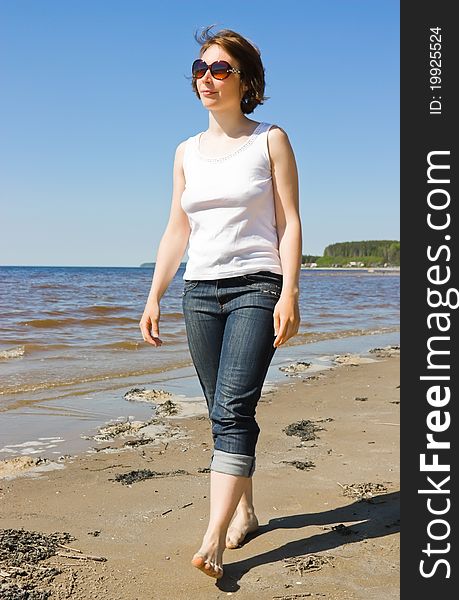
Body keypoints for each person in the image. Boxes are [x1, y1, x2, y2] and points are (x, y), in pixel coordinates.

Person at [139, 25, 302, 580]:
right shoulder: (185, 151)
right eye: (200, 68)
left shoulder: (270, 139)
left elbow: (290, 221)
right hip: (200, 292)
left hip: (257, 286)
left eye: (220, 69)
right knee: (222, 410)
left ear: (246, 79)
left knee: (232, 408)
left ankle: (214, 537)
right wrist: (155, 294)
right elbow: (176, 229)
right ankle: (247, 511)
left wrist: (291, 292)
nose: (207, 78)